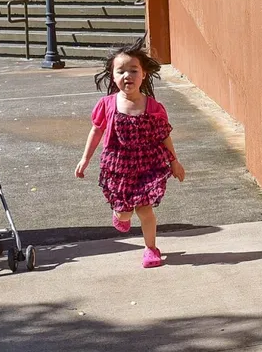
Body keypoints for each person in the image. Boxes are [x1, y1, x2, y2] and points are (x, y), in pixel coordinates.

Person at [75, 39, 186, 267]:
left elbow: (164, 135)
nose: (128, 75)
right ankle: (119, 215)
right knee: (125, 214)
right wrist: (85, 159)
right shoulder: (107, 104)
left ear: (143, 74)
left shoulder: (154, 107)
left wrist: (175, 161)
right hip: (119, 167)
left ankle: (151, 249)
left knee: (145, 210)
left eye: (134, 70)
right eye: (121, 71)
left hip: (148, 165)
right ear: (113, 76)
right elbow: (96, 131)